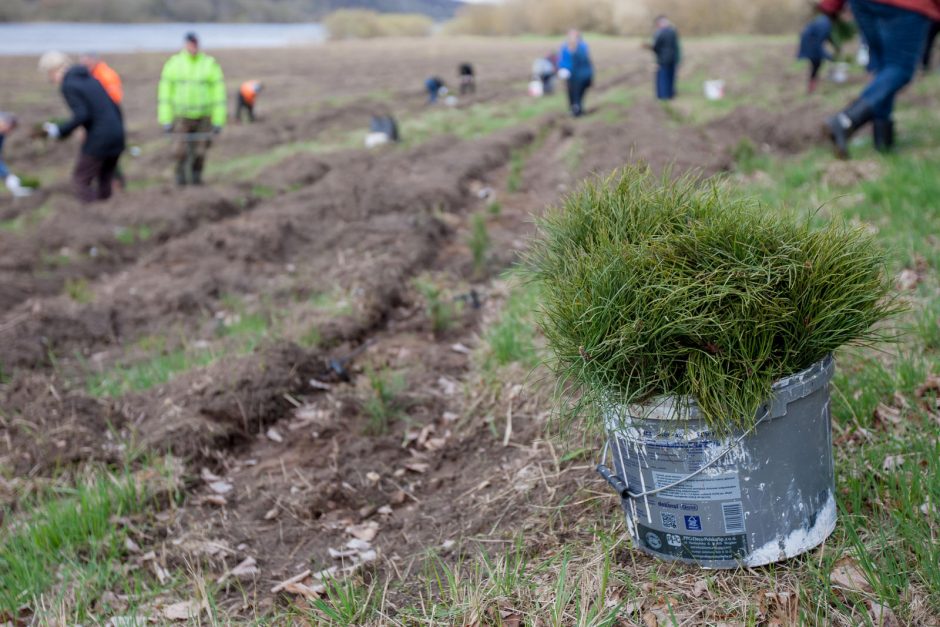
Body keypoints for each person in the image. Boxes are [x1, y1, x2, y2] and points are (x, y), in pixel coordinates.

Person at [821, 0, 935, 157]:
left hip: (863, 4)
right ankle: (845, 120)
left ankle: (883, 144)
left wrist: (831, 4)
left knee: (884, 68)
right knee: (900, 68)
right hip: (906, 6)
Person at [38, 51, 125, 203]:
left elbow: (82, 115)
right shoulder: (90, 78)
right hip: (117, 134)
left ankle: (92, 218)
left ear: (52, 71)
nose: (52, 81)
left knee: (80, 180)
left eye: (49, 76)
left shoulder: (68, 84)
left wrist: (59, 130)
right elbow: (114, 107)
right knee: (104, 178)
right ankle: (109, 214)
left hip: (100, 137)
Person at [158, 32, 226, 186]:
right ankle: (180, 180)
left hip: (204, 116)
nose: (193, 47)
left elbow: (219, 95)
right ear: (185, 44)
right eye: (190, 43)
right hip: (181, 115)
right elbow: (165, 96)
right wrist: (166, 120)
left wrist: (218, 120)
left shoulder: (209, 64)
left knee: (200, 152)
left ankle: (196, 180)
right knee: (179, 151)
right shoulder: (174, 64)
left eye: (195, 44)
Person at [81, 51, 126, 189]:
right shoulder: (93, 75)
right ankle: (109, 183)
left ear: (93, 60)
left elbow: (115, 98)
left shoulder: (105, 75)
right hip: (104, 118)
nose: (84, 66)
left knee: (109, 154)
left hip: (108, 118)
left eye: (86, 62)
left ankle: (116, 184)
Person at [558, 30, 594, 117]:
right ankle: (576, 109)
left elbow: (583, 64)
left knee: (577, 93)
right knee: (573, 93)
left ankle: (577, 110)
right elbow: (563, 61)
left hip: (580, 76)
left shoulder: (582, 48)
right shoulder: (565, 48)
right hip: (575, 75)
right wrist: (563, 69)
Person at [798, 14, 835, 94]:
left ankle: (812, 87)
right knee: (816, 64)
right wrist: (827, 55)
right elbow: (817, 43)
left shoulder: (824, 21)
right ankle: (811, 88)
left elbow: (826, 37)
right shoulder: (824, 24)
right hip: (810, 45)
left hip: (809, 44)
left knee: (817, 64)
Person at [0, 113, 33, 198]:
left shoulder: (2, 134)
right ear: (3, 122)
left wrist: (7, 175)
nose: (9, 132)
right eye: (9, 128)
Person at [650, 16, 680, 100]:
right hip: (672, 58)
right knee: (671, 77)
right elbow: (676, 46)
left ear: (659, 24)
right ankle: (670, 94)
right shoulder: (673, 32)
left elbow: (655, 47)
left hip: (663, 60)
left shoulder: (659, 33)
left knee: (663, 78)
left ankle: (663, 96)